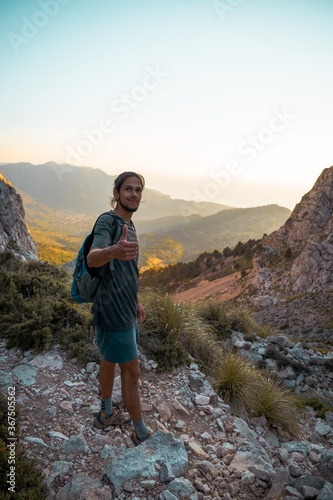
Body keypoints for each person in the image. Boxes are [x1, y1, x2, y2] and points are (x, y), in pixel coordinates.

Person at [87, 171, 151, 446]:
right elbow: (93, 258)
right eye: (128, 189)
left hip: (125, 307)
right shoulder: (107, 222)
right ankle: (141, 433)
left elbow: (128, 270)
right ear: (116, 193)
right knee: (132, 373)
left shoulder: (130, 226)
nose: (134, 194)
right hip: (112, 310)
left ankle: (105, 413)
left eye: (138, 190)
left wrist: (135, 299)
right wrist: (113, 250)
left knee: (108, 358)